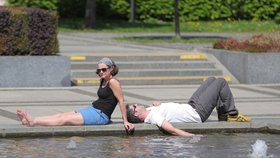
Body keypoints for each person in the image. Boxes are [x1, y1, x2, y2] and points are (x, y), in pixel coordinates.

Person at [17, 57, 134, 132]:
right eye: (99, 70)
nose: (101, 72)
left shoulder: (113, 82)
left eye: (104, 69)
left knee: (65, 120)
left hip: (100, 116)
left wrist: (125, 121)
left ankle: (33, 122)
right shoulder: (103, 80)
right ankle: (31, 120)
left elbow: (121, 101)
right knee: (61, 115)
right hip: (93, 109)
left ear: (111, 68)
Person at [126, 77, 251, 137]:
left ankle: (223, 115)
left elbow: (157, 107)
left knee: (211, 80)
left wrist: (157, 104)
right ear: (136, 113)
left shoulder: (150, 111)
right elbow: (172, 130)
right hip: (198, 113)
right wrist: (192, 136)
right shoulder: (154, 117)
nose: (136, 104)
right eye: (134, 106)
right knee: (220, 82)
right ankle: (233, 114)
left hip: (191, 106)